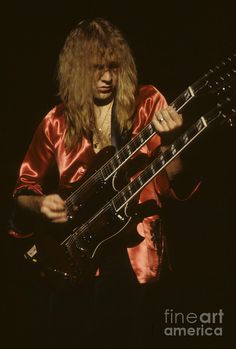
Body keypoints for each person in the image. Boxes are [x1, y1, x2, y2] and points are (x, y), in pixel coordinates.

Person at [10, 18, 199, 346]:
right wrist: (41, 204)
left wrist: (171, 141)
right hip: (75, 262)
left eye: (114, 67)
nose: (108, 77)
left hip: (137, 254)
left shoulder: (147, 103)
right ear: (77, 68)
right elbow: (22, 192)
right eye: (97, 68)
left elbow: (177, 186)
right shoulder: (56, 122)